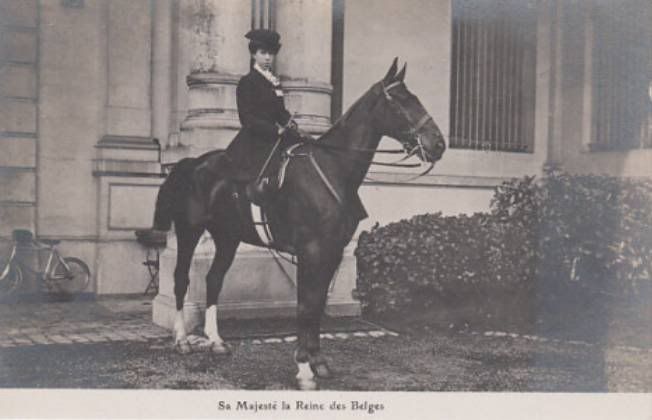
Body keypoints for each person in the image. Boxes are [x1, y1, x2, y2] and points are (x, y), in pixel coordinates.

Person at [195, 28, 314, 207]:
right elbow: (247, 119)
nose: (267, 58)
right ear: (253, 54)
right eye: (263, 53)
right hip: (255, 139)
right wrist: (275, 130)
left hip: (277, 136)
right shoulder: (247, 82)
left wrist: (291, 124)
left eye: (271, 53)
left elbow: (280, 112)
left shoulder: (274, 82)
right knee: (261, 179)